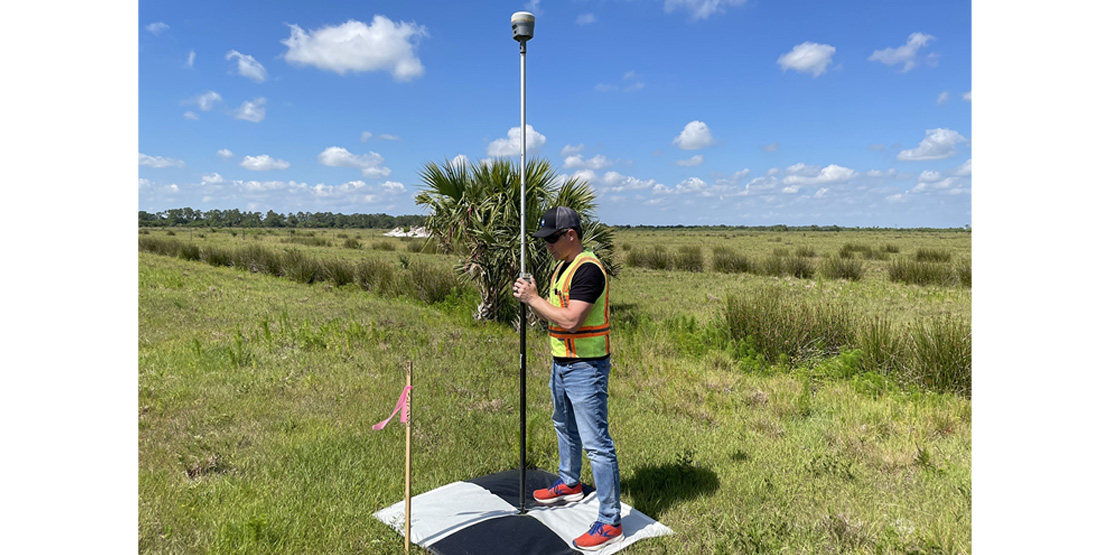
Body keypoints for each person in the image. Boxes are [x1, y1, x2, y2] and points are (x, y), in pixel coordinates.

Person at [512, 206, 622, 552]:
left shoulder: (588, 270)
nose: (547, 246)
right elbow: (556, 310)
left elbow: (571, 320)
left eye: (552, 239)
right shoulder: (564, 265)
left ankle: (610, 520)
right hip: (563, 362)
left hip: (586, 368)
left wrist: (532, 299)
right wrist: (534, 298)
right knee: (563, 424)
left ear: (571, 235)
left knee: (596, 443)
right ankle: (570, 483)